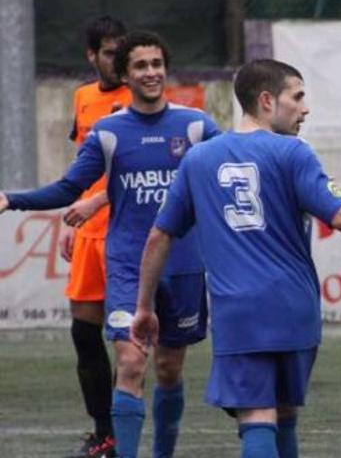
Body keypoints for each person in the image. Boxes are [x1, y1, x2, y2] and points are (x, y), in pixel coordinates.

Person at [128, 58, 341, 458]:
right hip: (296, 308)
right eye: (299, 96)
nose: (305, 108)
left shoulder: (198, 159)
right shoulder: (294, 153)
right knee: (285, 411)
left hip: (240, 311)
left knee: (257, 415)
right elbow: (340, 214)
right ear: (268, 100)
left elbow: (159, 235)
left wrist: (143, 306)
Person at [0, 30, 221, 458]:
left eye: (157, 64)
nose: (151, 72)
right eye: (140, 66)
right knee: (132, 361)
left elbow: (229, 172)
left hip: (183, 264)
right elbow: (68, 188)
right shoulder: (107, 132)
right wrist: (12, 199)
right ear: (124, 74)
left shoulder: (196, 126)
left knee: (169, 369)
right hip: (126, 265)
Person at [57, 15, 131, 458]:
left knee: (134, 341)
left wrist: (97, 203)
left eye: (122, 52)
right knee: (84, 334)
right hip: (88, 233)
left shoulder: (135, 99)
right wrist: (66, 222)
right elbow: (80, 167)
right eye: (108, 53)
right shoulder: (83, 97)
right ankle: (105, 433)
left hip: (126, 229)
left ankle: (129, 429)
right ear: (92, 56)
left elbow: (137, 168)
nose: (118, 62)